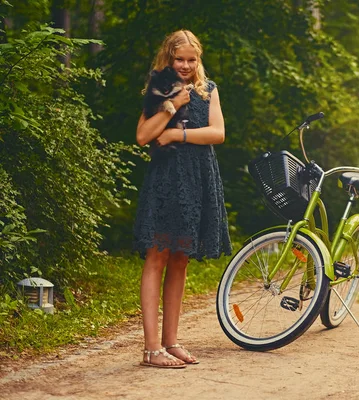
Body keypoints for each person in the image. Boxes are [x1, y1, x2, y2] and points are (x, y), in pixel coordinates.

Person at [133, 30, 232, 368]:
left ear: (198, 59)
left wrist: (177, 133)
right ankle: (150, 349)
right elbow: (144, 136)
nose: (186, 65)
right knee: (158, 256)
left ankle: (170, 341)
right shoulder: (159, 89)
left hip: (198, 180)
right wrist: (173, 105)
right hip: (166, 181)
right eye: (180, 59)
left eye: (192, 59)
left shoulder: (209, 90)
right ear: (169, 58)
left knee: (180, 259)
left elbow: (217, 133)